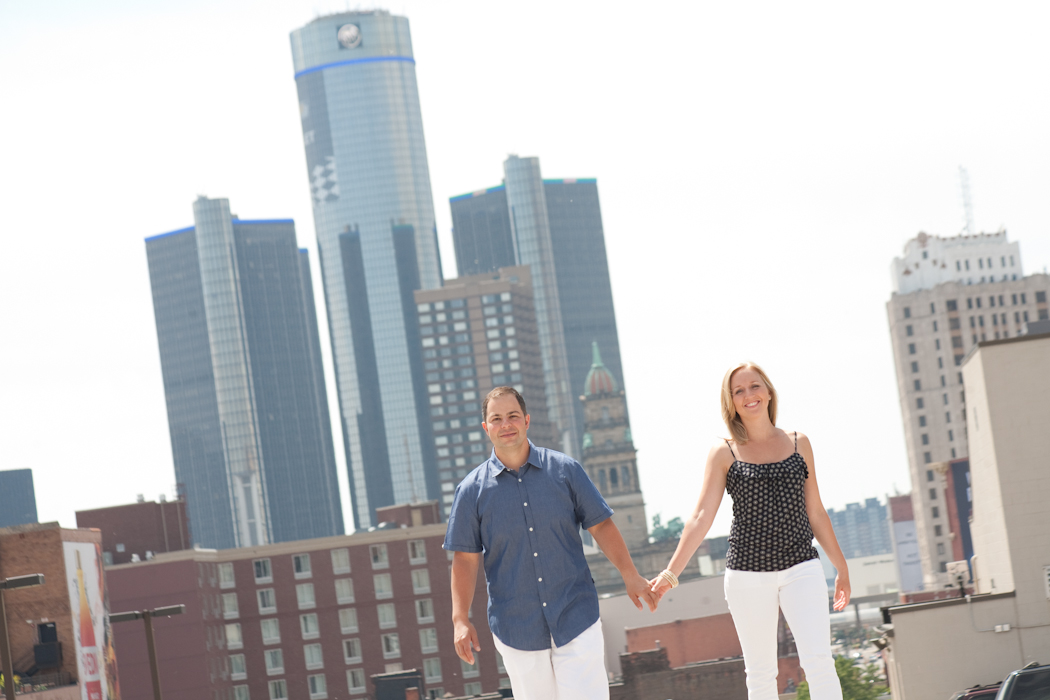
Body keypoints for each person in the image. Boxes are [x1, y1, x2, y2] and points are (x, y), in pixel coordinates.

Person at [649, 362, 851, 700]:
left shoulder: (800, 443)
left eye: (754, 386)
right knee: (760, 674)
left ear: (769, 391)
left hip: (801, 566)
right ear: (731, 403)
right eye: (738, 391)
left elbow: (815, 511)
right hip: (747, 574)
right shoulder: (724, 452)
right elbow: (701, 516)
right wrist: (670, 574)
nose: (748, 395)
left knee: (819, 661)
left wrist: (841, 567)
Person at [444, 386, 657, 700]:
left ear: (527, 420)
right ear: (486, 427)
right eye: (497, 418)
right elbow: (465, 559)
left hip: (576, 616)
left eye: (513, 416)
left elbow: (600, 525)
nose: (506, 424)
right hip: (517, 628)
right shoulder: (471, 492)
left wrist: (630, 575)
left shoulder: (565, 470)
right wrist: (460, 619)